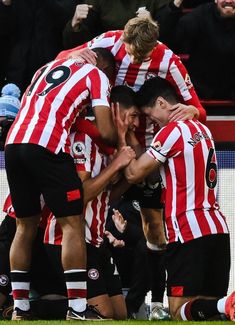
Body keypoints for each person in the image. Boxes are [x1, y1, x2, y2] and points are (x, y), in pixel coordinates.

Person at [4, 48, 118, 320]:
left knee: (24, 225)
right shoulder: (95, 74)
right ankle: (78, 309)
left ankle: (20, 308)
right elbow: (105, 131)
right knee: (72, 222)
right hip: (47, 144)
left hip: (12, 143)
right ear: (103, 68)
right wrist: (119, 138)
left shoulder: (43, 68)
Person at [119, 75, 234, 321]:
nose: (150, 122)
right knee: (209, 312)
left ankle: (224, 306)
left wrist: (123, 134)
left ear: (162, 103)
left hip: (187, 230)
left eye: (150, 116)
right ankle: (224, 305)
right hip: (218, 230)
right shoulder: (203, 129)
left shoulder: (170, 133)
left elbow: (134, 173)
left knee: (178, 312)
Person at [43, 85, 138, 320]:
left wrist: (127, 173)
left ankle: (62, 305)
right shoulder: (83, 140)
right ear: (115, 111)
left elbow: (109, 196)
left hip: (95, 240)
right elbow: (78, 196)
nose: (137, 122)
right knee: (102, 314)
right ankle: (28, 308)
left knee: (120, 314)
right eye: (134, 115)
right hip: (67, 240)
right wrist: (117, 165)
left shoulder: (109, 147)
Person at [159, 0, 235, 99]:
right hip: (203, 92)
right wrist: (175, 6)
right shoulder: (201, 15)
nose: (228, 1)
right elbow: (170, 40)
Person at [62, 0, 172, 48]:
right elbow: (75, 45)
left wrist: (151, 25)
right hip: (109, 56)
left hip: (144, 52)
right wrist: (75, 24)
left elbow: (170, 36)